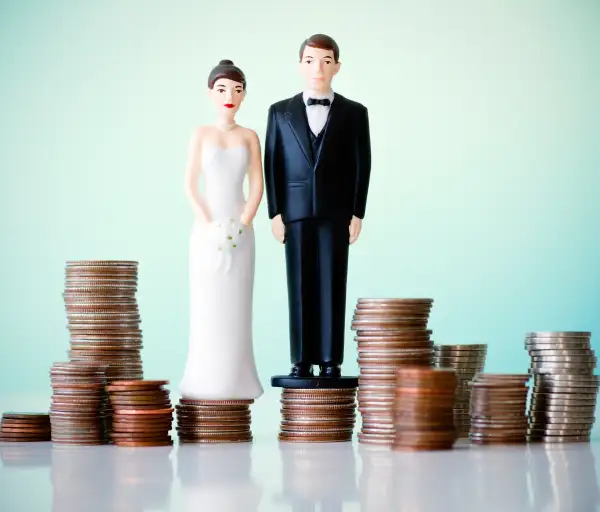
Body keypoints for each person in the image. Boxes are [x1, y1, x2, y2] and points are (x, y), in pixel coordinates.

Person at [264, 34, 372, 380]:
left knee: (332, 283)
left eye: (326, 60)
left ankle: (330, 360)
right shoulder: (279, 112)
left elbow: (362, 163)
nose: (318, 68)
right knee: (298, 285)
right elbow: (272, 163)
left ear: (337, 66)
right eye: (310, 60)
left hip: (336, 211)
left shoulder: (355, 113)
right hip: (294, 212)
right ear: (300, 66)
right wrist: (275, 212)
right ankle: (300, 359)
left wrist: (358, 212)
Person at [179, 59, 264, 399]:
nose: (230, 95)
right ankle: (203, 382)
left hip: (241, 233)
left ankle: (238, 381)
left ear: (244, 96)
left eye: (238, 90)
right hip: (206, 232)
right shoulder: (201, 134)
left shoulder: (250, 136)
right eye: (223, 89)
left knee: (236, 310)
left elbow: (257, 185)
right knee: (207, 306)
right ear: (210, 93)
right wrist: (208, 224)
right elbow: (189, 184)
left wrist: (242, 225)